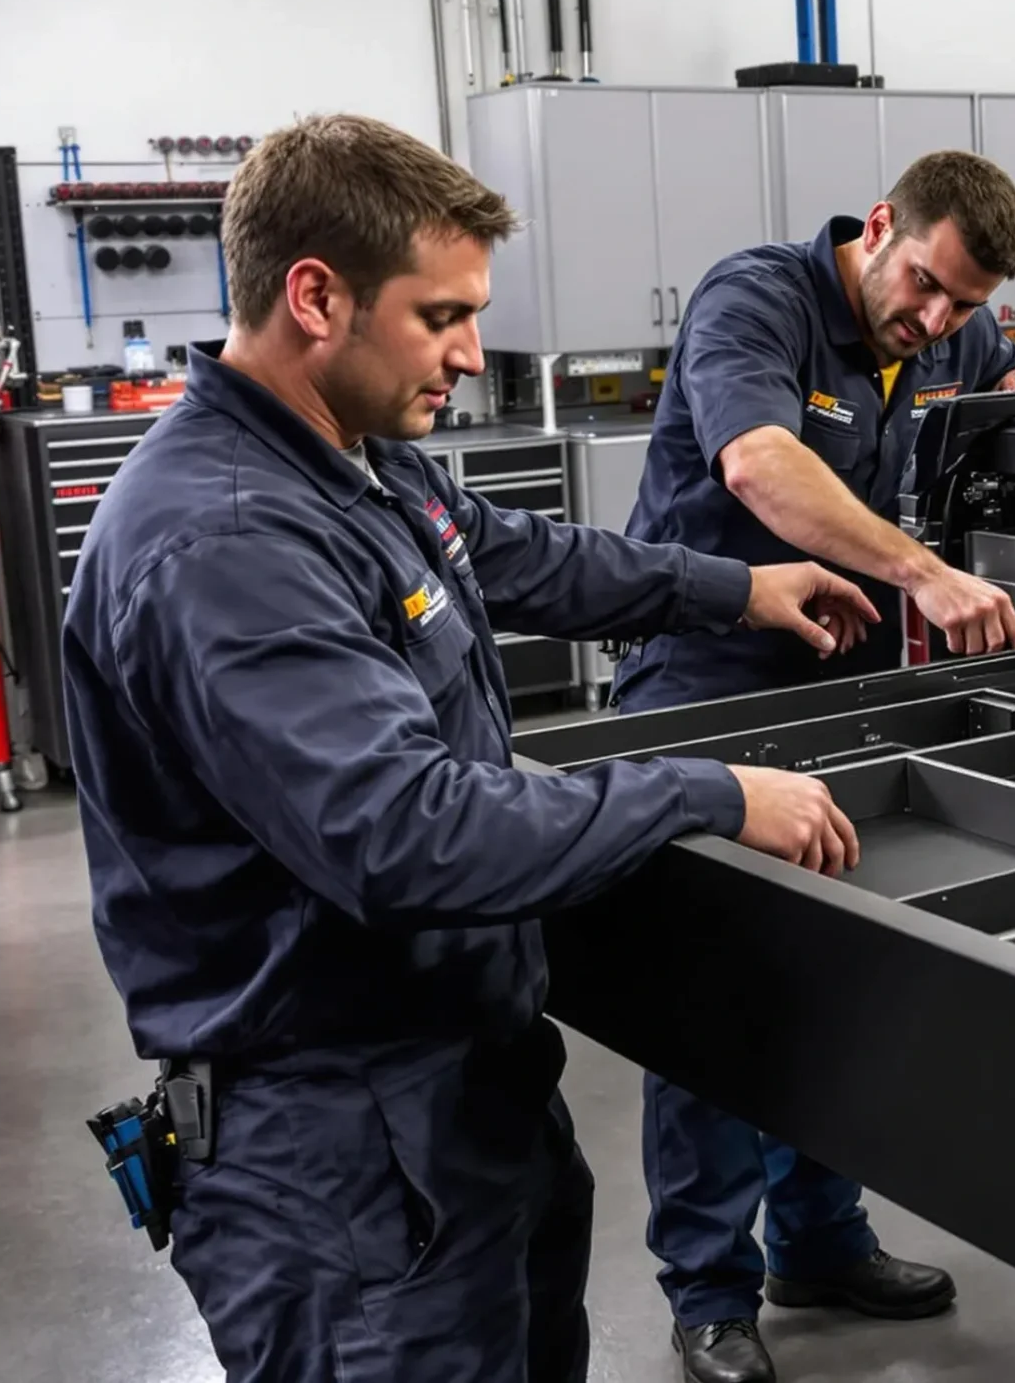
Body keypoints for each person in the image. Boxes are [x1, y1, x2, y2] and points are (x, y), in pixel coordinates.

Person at [60, 112, 876, 1383]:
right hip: (336, 1161)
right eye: (442, 315)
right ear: (317, 296)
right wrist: (704, 792)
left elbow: (522, 557)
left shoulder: (361, 461)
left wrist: (737, 587)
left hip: (460, 1089)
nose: (470, 351)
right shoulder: (226, 542)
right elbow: (406, 833)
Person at [615, 149, 1015, 1383]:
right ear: (878, 227)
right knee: (711, 987)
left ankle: (818, 1239)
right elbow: (760, 463)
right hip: (704, 679)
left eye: (964, 307)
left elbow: (998, 376)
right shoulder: (753, 299)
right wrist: (924, 572)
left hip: (833, 693)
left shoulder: (948, 332)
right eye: (923, 286)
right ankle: (709, 1289)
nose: (935, 321)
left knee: (833, 972)